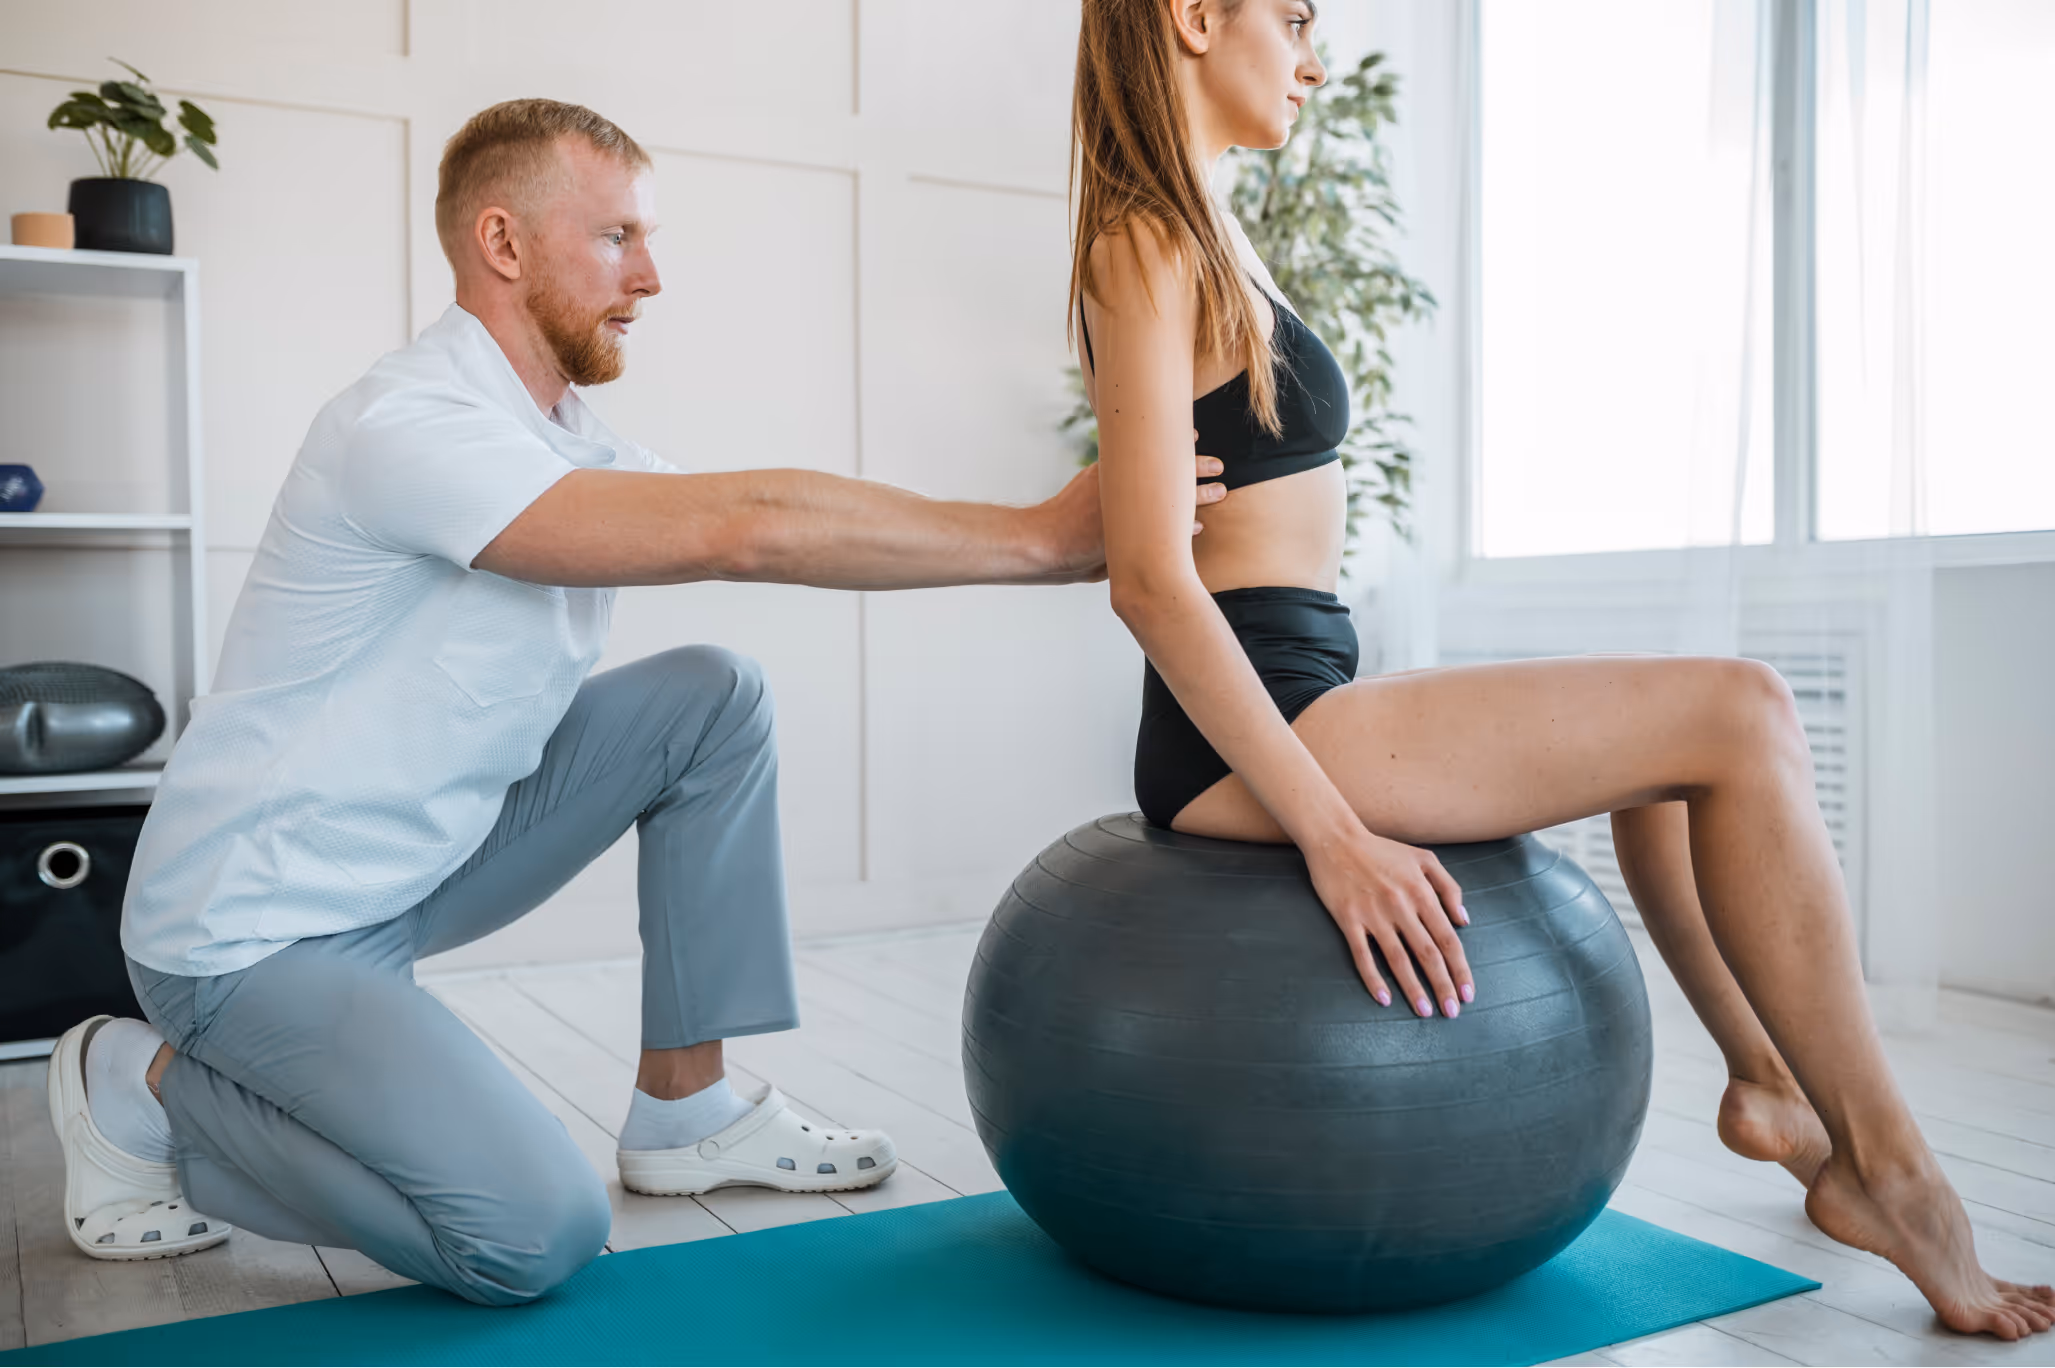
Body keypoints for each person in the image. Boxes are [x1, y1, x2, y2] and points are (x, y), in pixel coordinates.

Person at [48, 98, 1228, 1304]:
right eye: (617, 238)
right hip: (253, 935)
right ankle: (141, 1091)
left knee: (713, 698)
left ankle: (691, 1108)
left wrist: (1072, 540)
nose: (652, 276)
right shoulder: (406, 429)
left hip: (408, 875)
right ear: (502, 245)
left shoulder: (568, 442)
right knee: (528, 1236)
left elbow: (800, 527)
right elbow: (748, 528)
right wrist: (1041, 538)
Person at [1071, 0, 2054, 1342]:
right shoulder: (1140, 234)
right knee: (1742, 708)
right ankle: (1890, 1172)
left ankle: (1763, 1084)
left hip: (1313, 674)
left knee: (1668, 747)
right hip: (1260, 720)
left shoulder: (1208, 227)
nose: (1311, 56)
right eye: (1293, 16)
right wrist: (1333, 834)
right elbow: (1146, 577)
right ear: (1192, 16)